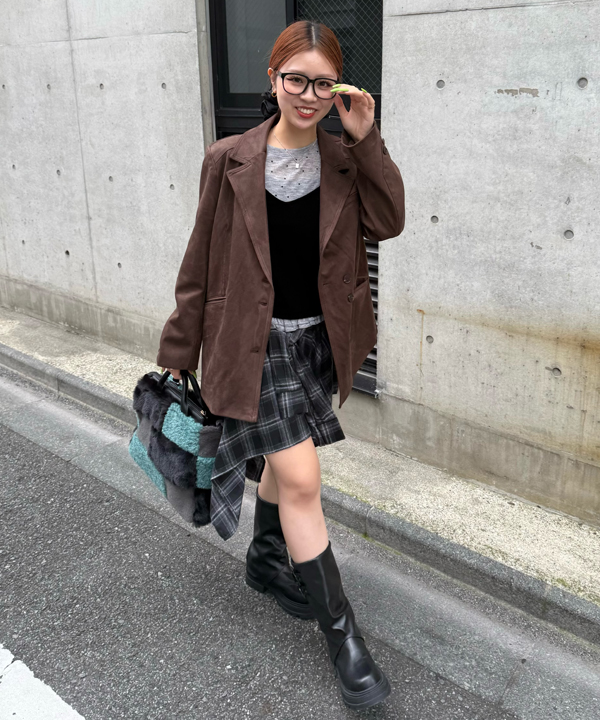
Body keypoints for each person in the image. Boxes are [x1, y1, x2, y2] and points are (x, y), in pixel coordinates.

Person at [158, 19, 405, 711]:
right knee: (299, 477)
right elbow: (200, 260)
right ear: (273, 78)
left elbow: (389, 222)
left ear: (339, 90)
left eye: (324, 83)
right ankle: (344, 638)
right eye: (297, 79)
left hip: (317, 345)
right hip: (252, 345)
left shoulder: (344, 159)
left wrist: (367, 138)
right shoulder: (228, 159)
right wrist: (178, 352)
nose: (309, 95)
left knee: (283, 463)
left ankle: (268, 560)